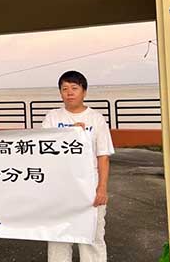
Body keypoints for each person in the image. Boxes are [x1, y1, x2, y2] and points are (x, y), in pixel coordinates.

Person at [42, 70, 114, 262]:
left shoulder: (96, 118)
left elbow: (103, 156)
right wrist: (70, 134)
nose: (69, 92)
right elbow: (43, 149)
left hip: (89, 188)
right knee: (58, 237)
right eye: (64, 89)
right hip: (60, 188)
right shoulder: (52, 117)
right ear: (60, 93)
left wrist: (102, 188)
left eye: (74, 88)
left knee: (91, 237)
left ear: (84, 92)